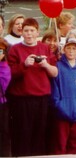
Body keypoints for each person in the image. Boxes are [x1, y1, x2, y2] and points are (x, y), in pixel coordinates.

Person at [7, 17, 59, 156]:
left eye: (32, 31)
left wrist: (46, 65)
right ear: (21, 33)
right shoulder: (15, 49)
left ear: (37, 33)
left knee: (40, 134)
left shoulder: (45, 48)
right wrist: (24, 65)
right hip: (22, 99)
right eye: (26, 31)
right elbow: (9, 74)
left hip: (42, 98)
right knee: (23, 135)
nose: (29, 34)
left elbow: (55, 73)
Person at [50, 37, 76, 154]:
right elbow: (55, 90)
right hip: (62, 113)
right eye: (68, 48)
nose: (71, 51)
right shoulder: (58, 66)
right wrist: (59, 105)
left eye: (74, 48)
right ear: (64, 50)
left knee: (75, 142)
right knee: (60, 144)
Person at [0, 38, 11, 158]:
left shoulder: (4, 68)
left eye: (0, 51)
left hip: (1, 104)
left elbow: (3, 84)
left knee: (3, 134)